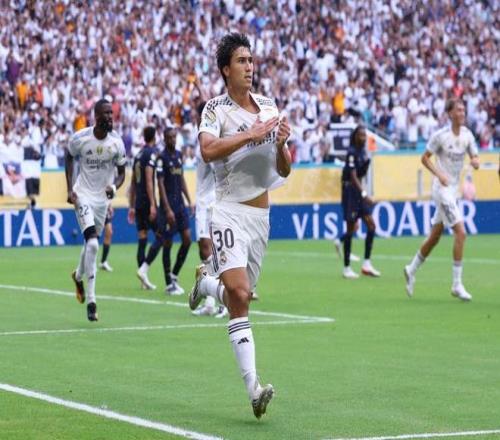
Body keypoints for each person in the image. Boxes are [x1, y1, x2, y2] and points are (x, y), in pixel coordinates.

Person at [188, 33, 292, 419]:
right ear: (225, 70)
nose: (249, 67)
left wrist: (280, 145)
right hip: (229, 210)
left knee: (240, 296)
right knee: (240, 293)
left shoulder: (268, 107)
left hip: (260, 217)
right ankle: (254, 389)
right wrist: (250, 134)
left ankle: (205, 284)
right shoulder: (215, 109)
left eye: (251, 60)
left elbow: (285, 169)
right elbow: (207, 150)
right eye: (241, 61)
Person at [404, 98, 480, 300]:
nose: (462, 113)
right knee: (461, 233)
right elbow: (424, 158)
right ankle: (457, 284)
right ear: (450, 114)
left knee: (435, 237)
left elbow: (475, 156)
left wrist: (475, 161)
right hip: (441, 189)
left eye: (463, 110)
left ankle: (411, 269)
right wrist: (439, 174)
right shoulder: (440, 136)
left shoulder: (467, 135)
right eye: (459, 110)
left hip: (453, 190)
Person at [65, 99, 126, 321]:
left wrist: (114, 187)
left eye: (112, 113)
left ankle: (78, 275)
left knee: (89, 245)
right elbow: (68, 156)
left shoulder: (117, 143)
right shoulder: (80, 138)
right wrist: (69, 188)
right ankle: (91, 301)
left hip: (102, 202)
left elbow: (122, 173)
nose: (110, 116)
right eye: (106, 113)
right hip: (82, 195)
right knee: (92, 244)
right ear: (96, 116)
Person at [156, 126, 194, 295]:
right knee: (168, 242)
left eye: (174, 137)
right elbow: (160, 184)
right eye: (169, 137)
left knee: (187, 239)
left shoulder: (179, 155)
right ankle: (168, 283)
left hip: (180, 205)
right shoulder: (161, 158)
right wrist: (167, 209)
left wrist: (189, 200)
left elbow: (181, 179)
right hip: (168, 207)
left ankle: (174, 275)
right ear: (165, 139)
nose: (172, 139)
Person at [340, 125, 380, 279]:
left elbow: (361, 173)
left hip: (358, 192)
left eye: (364, 135)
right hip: (351, 192)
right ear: (355, 136)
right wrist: (364, 194)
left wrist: (367, 162)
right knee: (350, 229)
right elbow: (353, 176)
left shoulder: (363, 152)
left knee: (371, 225)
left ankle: (367, 264)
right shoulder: (351, 152)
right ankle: (346, 267)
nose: (363, 138)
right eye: (361, 135)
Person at [128, 126, 161, 290]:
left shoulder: (138, 155)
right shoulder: (151, 154)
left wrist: (131, 205)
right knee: (161, 235)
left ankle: (143, 281)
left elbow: (133, 182)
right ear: (154, 137)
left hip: (138, 202)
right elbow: (149, 181)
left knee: (142, 239)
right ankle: (144, 269)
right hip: (148, 202)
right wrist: (153, 204)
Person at [99, 205, 114, 272]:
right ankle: (89, 263)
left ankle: (103, 262)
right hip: (94, 207)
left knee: (109, 232)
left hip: (104, 208)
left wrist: (109, 205)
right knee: (93, 235)